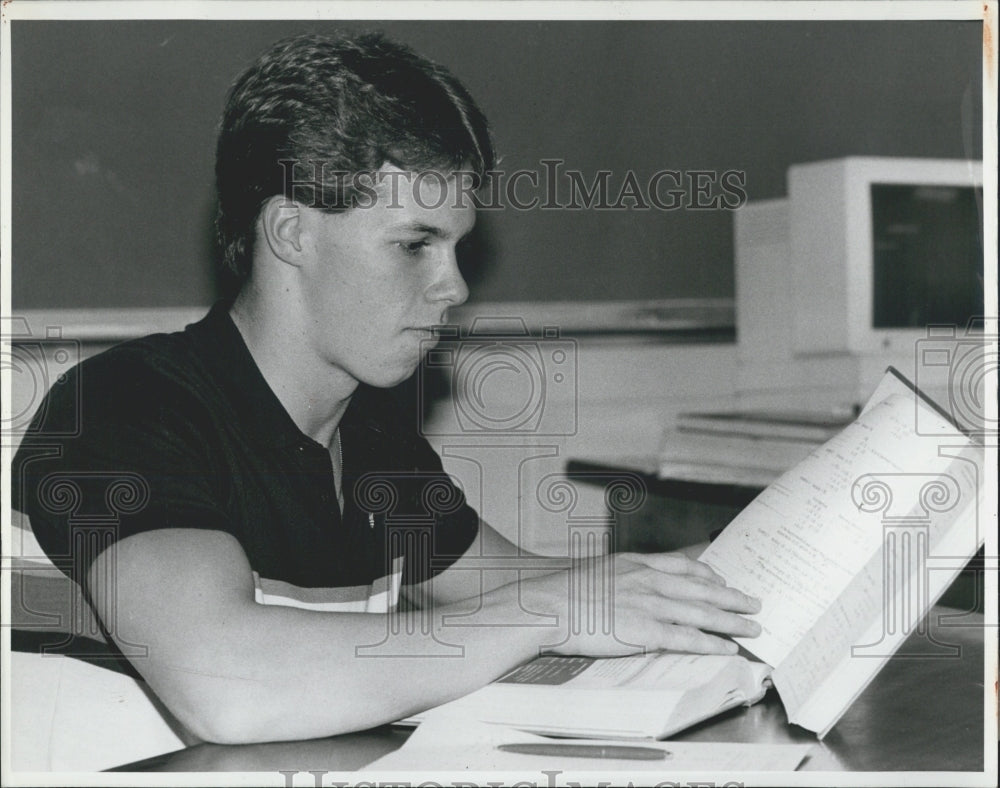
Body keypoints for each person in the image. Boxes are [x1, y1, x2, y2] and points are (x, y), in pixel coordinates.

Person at [13, 31, 761, 745]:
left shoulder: (369, 431)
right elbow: (228, 683)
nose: (456, 286)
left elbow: (527, 585)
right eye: (414, 244)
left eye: (458, 246)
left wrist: (757, 560)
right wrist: (543, 610)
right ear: (291, 233)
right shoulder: (124, 407)